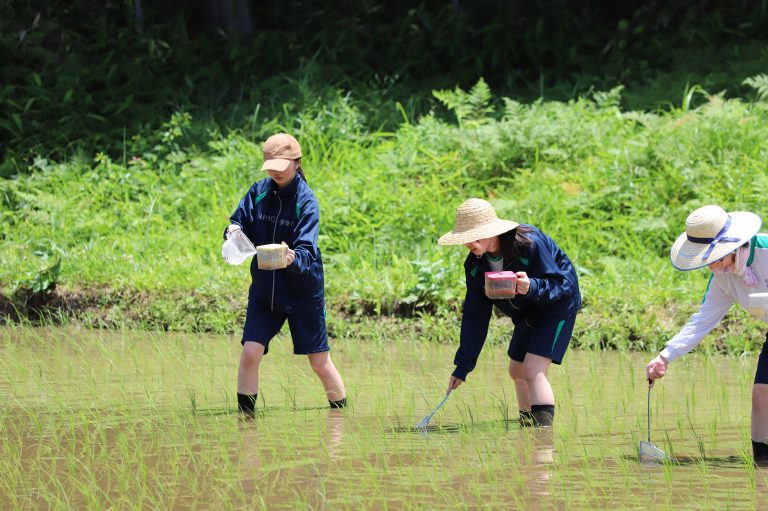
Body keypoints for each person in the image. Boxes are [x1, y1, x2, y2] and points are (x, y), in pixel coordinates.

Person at [225, 133, 346, 415]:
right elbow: (237, 221)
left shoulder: (306, 201)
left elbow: (306, 250)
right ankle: (246, 424)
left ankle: (340, 420)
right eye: (271, 166)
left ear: (296, 162)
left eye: (282, 165)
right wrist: (232, 233)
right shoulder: (259, 192)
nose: (276, 172)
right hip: (266, 291)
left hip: (303, 292)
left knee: (319, 362)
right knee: (250, 353)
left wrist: (291, 257)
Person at [438, 198, 581, 427]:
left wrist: (532, 286)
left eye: (475, 238)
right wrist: (463, 366)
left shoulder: (529, 244)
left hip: (557, 305)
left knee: (533, 369)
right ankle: (527, 427)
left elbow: (559, 284)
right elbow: (476, 316)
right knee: (516, 370)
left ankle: (543, 438)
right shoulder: (475, 266)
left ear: (491, 232)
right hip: (525, 312)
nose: (470, 245)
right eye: (465, 240)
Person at [646, 204, 768, 464]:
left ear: (732, 245)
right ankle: (763, 463)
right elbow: (702, 321)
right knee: (761, 393)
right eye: (706, 261)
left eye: (715, 258)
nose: (712, 267)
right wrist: (665, 356)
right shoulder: (723, 279)